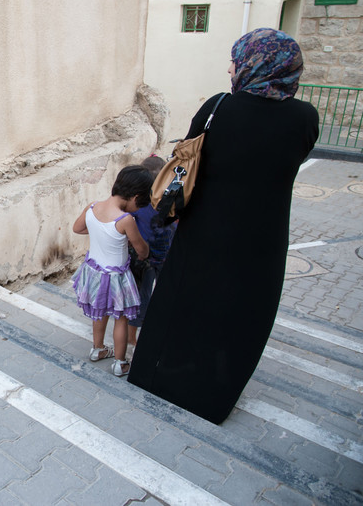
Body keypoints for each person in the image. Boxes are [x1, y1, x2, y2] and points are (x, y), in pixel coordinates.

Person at [127, 28, 319, 424]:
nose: (229, 66)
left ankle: (155, 378)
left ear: (252, 63)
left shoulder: (220, 107)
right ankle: (213, 398)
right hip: (263, 238)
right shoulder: (305, 118)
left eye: (235, 59)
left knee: (184, 302)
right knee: (240, 314)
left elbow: (189, 152)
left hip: (206, 229)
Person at [71, 165, 153, 377]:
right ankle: (120, 362)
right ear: (135, 196)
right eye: (140, 203)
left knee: (99, 313)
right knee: (122, 318)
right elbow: (141, 249)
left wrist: (100, 232)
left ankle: (97, 350)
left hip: (94, 272)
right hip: (117, 278)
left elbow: (77, 228)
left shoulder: (92, 207)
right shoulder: (125, 220)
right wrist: (144, 252)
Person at [127, 155, 177, 355]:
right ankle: (132, 339)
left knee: (150, 297)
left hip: (161, 256)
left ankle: (142, 334)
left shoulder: (170, 197)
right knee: (141, 299)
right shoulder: (138, 201)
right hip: (144, 260)